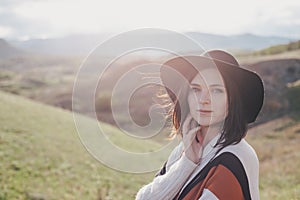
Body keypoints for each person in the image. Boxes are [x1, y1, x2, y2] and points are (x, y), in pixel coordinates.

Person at [135, 49, 264, 200]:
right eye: (196, 89)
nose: (203, 99)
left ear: (233, 100)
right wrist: (186, 164)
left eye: (216, 90)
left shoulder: (236, 157)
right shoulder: (185, 150)